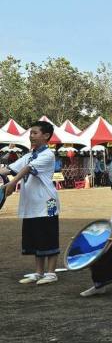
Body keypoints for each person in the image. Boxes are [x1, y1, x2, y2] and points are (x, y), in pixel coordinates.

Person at [2, 121, 61, 285]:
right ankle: (38, 272)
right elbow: (9, 169)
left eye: (35, 133)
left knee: (49, 234)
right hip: (32, 204)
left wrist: (12, 183)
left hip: (49, 203)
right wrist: (7, 177)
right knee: (35, 236)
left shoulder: (47, 155)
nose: (31, 136)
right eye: (31, 133)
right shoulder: (29, 155)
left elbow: (27, 169)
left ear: (46, 136)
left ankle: (51, 273)